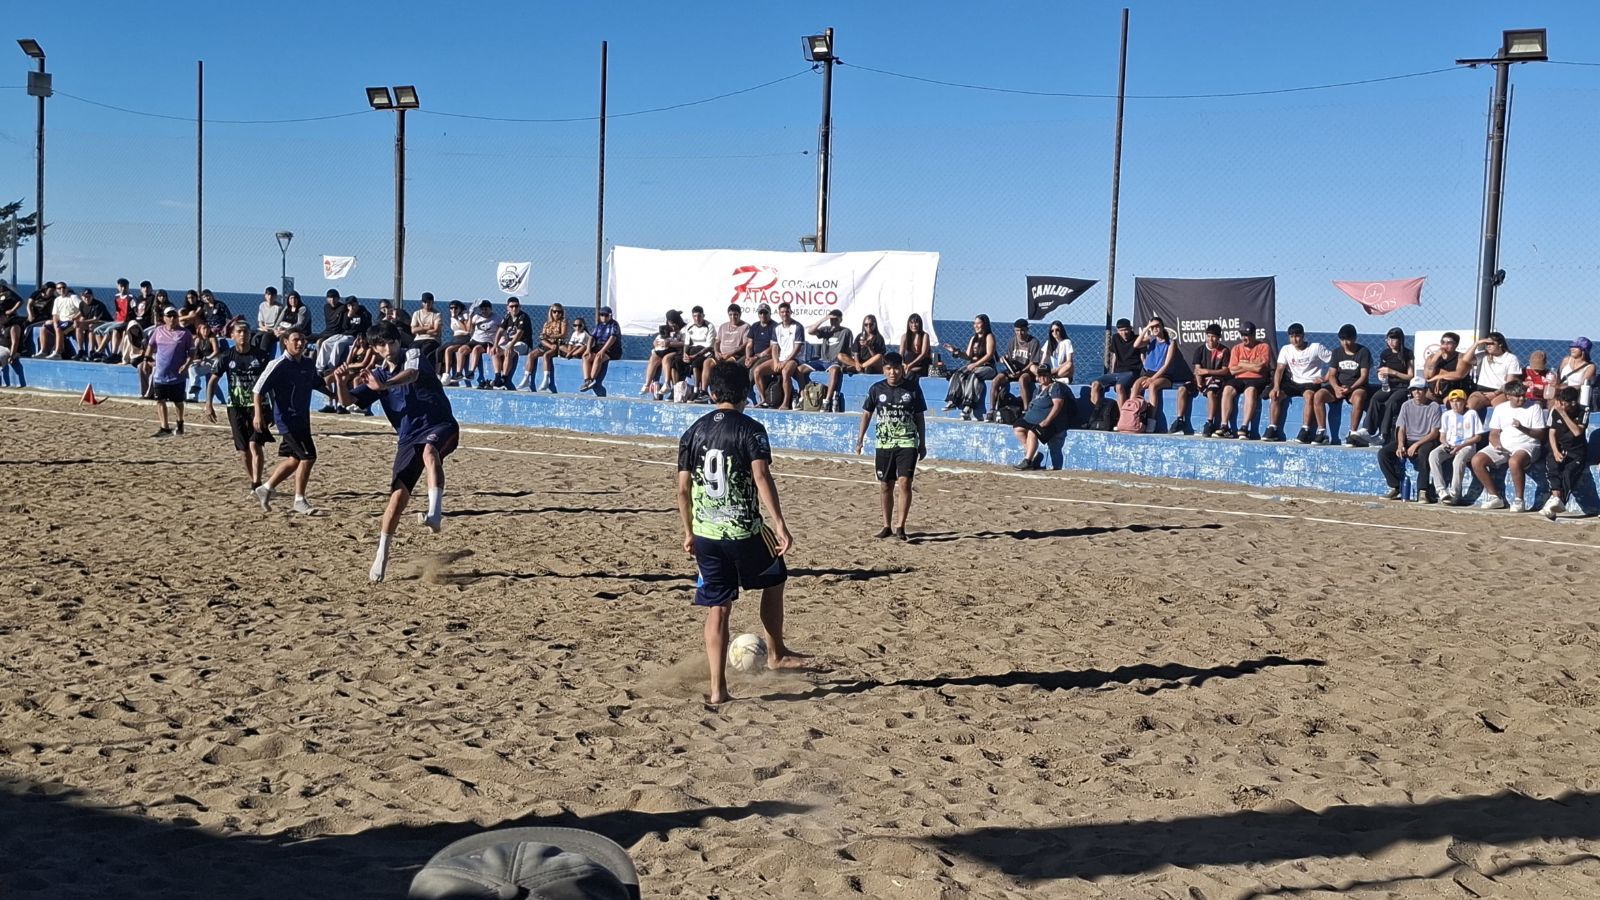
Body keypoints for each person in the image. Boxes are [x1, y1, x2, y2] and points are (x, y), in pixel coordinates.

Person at [675, 360, 806, 704]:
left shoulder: (693, 432)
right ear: (747, 392)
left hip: (705, 533)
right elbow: (761, 477)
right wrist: (779, 524)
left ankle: (718, 690)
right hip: (744, 531)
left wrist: (688, 531)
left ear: (711, 392)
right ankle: (776, 654)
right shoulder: (751, 428)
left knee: (718, 608)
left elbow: (682, 489)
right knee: (776, 577)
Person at [343, 325, 461, 582]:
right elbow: (348, 401)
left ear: (398, 342)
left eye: (391, 343)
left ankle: (435, 515)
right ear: (375, 349)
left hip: (440, 425)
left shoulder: (413, 355)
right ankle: (382, 555)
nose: (388, 349)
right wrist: (343, 376)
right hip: (407, 438)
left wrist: (383, 385)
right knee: (396, 499)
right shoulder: (376, 374)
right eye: (381, 345)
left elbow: (411, 374)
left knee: (431, 452)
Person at [253, 330, 332, 516]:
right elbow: (258, 390)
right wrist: (258, 415)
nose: (300, 343)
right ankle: (299, 500)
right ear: (285, 342)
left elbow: (317, 383)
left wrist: (336, 394)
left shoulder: (307, 363)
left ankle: (266, 488)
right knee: (308, 456)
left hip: (303, 418)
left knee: (294, 459)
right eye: (295, 340)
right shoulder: (278, 364)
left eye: (302, 339)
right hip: (287, 419)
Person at [854, 351, 927, 539]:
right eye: (888, 368)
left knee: (905, 483)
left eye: (896, 368)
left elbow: (920, 417)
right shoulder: (876, 389)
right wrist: (860, 439)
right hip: (884, 443)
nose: (893, 372)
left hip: (907, 441)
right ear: (884, 370)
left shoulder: (912, 389)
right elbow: (867, 414)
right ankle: (886, 525)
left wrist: (922, 443)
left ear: (902, 368)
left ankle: (900, 526)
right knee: (886, 484)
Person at [207, 320, 276, 492]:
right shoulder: (226, 356)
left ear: (250, 334)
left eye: (246, 331)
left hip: (258, 406)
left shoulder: (261, 356)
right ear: (232, 335)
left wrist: (274, 409)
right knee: (243, 450)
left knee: (255, 445)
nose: (243, 335)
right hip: (236, 406)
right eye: (239, 332)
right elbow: (213, 380)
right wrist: (209, 404)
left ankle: (257, 483)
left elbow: (271, 384)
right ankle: (253, 479)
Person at [1469, 381, 1547, 512]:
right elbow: (1494, 433)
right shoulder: (1500, 409)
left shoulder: (1534, 408)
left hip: (1527, 445)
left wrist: (1522, 428)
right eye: (1517, 396)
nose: (1521, 398)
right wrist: (1496, 444)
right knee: (1477, 460)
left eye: (1523, 395)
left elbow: (1540, 434)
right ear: (1508, 396)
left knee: (1514, 461)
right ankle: (1495, 496)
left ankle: (1519, 500)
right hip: (1504, 446)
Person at [1265, 322, 1331, 443]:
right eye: (1291, 337)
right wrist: (1276, 387)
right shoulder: (1286, 349)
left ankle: (1305, 429)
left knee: (1309, 396)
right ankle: (1272, 428)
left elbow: (1334, 362)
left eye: (1297, 336)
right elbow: (1279, 369)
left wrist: (1325, 378)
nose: (1295, 339)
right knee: (1275, 396)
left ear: (1303, 335)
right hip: (1293, 382)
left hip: (1311, 382)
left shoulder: (1316, 347)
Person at [1378, 378, 1440, 502]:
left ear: (1426, 390)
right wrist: (1401, 444)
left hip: (1426, 440)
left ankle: (1423, 491)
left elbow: (1434, 433)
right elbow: (1401, 428)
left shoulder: (1434, 406)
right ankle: (1395, 487)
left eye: (1420, 390)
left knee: (1424, 454)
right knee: (1383, 453)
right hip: (1408, 439)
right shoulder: (1406, 405)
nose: (1417, 393)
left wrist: (1416, 445)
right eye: (1414, 390)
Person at [1350, 327, 1412, 447]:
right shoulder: (1385, 353)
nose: (1391, 342)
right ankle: (1368, 429)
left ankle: (1383, 434)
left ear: (1400, 340)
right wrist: (1381, 375)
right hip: (1388, 385)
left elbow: (1410, 376)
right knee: (1375, 398)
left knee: (1391, 402)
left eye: (1394, 339)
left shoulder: (1407, 354)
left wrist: (1393, 372)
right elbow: (1381, 369)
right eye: (1389, 339)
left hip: (1402, 387)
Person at [1315, 324, 1372, 444]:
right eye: (1342, 340)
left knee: (1359, 397)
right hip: (1338, 386)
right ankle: (1322, 432)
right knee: (1319, 395)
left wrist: (1351, 388)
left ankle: (1353, 433)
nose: (1345, 343)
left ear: (1355, 338)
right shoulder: (1336, 352)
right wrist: (1336, 388)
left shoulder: (1363, 352)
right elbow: (1331, 374)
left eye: (1348, 339)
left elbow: (1364, 376)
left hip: (1355, 386)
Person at [1429, 389, 1486, 506]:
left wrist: (1461, 446)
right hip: (1450, 444)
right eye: (1452, 401)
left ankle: (1454, 494)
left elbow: (1478, 437)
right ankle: (1441, 491)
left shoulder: (1472, 414)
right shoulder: (1446, 415)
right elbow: (1442, 436)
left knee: (1458, 461)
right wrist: (1445, 444)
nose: (1455, 404)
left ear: (1464, 402)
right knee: (1433, 455)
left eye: (1458, 401)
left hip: (1467, 445)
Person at [1131, 316, 1188, 429]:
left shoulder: (1171, 343)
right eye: (1153, 327)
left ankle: (1151, 421)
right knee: (1136, 385)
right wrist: (1147, 327)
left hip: (1164, 375)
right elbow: (1136, 345)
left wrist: (1152, 379)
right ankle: (1132, 416)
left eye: (1157, 326)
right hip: (1149, 373)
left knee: (1152, 386)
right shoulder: (1150, 339)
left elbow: (1166, 365)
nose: (1155, 329)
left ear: (1162, 327)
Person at [1012, 363, 1070, 471]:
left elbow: (1058, 404)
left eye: (1045, 375)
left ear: (1049, 375)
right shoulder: (1038, 389)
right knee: (1018, 428)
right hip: (1031, 419)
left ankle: (1027, 461)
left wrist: (1047, 421)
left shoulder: (1055, 387)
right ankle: (1034, 455)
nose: (1042, 378)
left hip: (1049, 422)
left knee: (1032, 432)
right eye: (1040, 375)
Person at [1218, 321, 1270, 439]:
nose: (1244, 338)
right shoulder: (1237, 348)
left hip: (1257, 379)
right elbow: (1232, 370)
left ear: (1254, 335)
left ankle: (1245, 427)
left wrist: (1242, 364)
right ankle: (1225, 426)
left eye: (1247, 335)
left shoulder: (1263, 347)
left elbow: (1259, 369)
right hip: (1239, 378)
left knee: (1250, 391)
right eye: (1242, 335)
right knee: (1227, 389)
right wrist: (1251, 365)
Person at [147, 307, 194, 438]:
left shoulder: (185, 334)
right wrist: (147, 359)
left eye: (174, 316)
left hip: (177, 375)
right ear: (164, 318)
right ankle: (164, 427)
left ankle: (180, 424)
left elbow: (191, 352)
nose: (172, 318)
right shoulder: (158, 331)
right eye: (169, 316)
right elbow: (150, 345)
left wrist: (186, 365)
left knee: (178, 402)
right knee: (160, 400)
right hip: (160, 374)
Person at [1543, 386, 1589, 519]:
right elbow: (1552, 433)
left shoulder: (1583, 410)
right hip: (1561, 448)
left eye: (1566, 403)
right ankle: (1556, 498)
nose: (1562, 405)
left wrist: (1563, 414)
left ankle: (1558, 502)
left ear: (1573, 402)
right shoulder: (1555, 410)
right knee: (1552, 465)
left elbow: (1577, 432)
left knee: (1568, 473)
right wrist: (1556, 451)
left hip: (1577, 451)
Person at [941, 314, 997, 420]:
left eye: (978, 323)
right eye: (974, 323)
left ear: (984, 324)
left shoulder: (989, 337)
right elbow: (968, 356)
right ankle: (952, 400)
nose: (976, 326)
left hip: (987, 367)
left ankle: (968, 405)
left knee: (973, 375)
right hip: (973, 365)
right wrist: (956, 351)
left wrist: (975, 365)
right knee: (958, 374)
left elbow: (989, 354)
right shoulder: (973, 338)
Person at [1179, 323, 1229, 437]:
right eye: (1208, 336)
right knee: (1182, 389)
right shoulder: (1200, 350)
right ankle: (1180, 420)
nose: (1210, 339)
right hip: (1200, 379)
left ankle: (1210, 423)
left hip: (1216, 380)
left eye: (1213, 336)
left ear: (1219, 338)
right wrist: (1199, 382)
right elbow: (1197, 369)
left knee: (1211, 392)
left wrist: (1207, 372)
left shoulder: (1224, 351)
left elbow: (1225, 371)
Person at [989, 318, 1041, 419]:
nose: (1020, 333)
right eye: (1017, 330)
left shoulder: (1034, 342)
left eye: (1022, 330)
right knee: (996, 380)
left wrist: (1021, 371)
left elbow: (1033, 362)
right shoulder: (1012, 341)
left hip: (1026, 370)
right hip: (1013, 370)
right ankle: (992, 410)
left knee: (1022, 380)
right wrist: (1005, 360)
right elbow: (1010, 357)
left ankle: (1026, 410)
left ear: (1027, 330)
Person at [802, 308, 852, 412]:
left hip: (835, 362)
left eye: (835, 320)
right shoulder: (826, 330)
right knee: (799, 369)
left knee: (834, 371)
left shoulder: (846, 332)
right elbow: (810, 331)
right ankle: (803, 396)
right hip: (822, 360)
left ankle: (827, 400)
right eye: (831, 320)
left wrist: (846, 364)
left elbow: (850, 349)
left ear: (840, 320)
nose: (833, 322)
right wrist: (824, 319)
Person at [1089, 318, 1142, 408]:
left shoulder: (1137, 340)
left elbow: (1143, 358)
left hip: (1131, 372)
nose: (1124, 333)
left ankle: (1123, 418)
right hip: (1117, 372)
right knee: (1095, 384)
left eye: (1126, 330)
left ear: (1130, 329)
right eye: (1121, 330)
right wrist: (1112, 371)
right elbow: (1114, 356)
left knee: (1119, 386)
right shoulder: (1115, 338)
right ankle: (1096, 413)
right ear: (1117, 331)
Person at [702, 304, 750, 402]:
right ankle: (703, 392)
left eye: (735, 315)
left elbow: (745, 344)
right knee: (707, 363)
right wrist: (716, 352)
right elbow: (717, 342)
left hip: (735, 355)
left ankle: (724, 393)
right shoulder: (723, 326)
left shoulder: (745, 327)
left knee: (725, 366)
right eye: (731, 315)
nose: (733, 317)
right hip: (721, 355)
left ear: (740, 314)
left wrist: (731, 353)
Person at [1466, 331, 1521, 413]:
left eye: (1491, 343)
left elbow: (1510, 382)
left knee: (1497, 405)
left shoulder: (1511, 358)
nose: (1488, 346)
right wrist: (1477, 343)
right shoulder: (1483, 355)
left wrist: (1495, 393)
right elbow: (1466, 359)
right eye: (1486, 344)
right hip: (1482, 391)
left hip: (1502, 391)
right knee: (1471, 406)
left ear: (1500, 344)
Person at [769, 303, 809, 410]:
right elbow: (774, 347)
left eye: (787, 311)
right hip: (781, 359)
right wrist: (776, 361)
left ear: (790, 312)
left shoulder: (797, 327)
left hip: (795, 359)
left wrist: (785, 361)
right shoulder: (776, 328)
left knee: (785, 372)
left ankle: (786, 402)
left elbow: (797, 348)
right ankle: (765, 400)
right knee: (757, 371)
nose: (785, 314)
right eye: (782, 312)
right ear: (779, 313)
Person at [640, 309, 686, 399]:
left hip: (679, 350)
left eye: (674, 325)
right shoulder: (666, 328)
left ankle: (667, 383)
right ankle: (647, 384)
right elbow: (659, 338)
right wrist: (656, 342)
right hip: (666, 349)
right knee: (654, 357)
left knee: (666, 358)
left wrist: (670, 343)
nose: (673, 327)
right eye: (671, 324)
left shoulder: (685, 329)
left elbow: (685, 343)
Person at [525, 302, 570, 392]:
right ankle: (527, 378)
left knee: (546, 356)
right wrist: (546, 340)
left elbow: (563, 334)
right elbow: (543, 336)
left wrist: (550, 337)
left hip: (557, 344)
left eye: (559, 312)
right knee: (531, 355)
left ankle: (546, 379)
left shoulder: (563, 322)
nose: (557, 314)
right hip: (547, 344)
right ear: (551, 312)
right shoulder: (547, 323)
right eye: (555, 311)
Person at [579, 305, 621, 396]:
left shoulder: (614, 325)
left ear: (610, 316)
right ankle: (587, 380)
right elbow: (592, 337)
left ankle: (592, 379)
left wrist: (602, 350)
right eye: (602, 315)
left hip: (611, 350)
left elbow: (612, 338)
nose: (604, 317)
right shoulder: (599, 325)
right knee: (586, 357)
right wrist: (588, 349)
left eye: (606, 315)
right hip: (599, 347)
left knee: (598, 356)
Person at [491, 297, 532, 390]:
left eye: (516, 306)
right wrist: (495, 345)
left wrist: (510, 345)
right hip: (511, 343)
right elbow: (500, 331)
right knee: (495, 352)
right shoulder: (507, 317)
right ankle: (498, 376)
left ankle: (504, 378)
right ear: (507, 307)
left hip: (523, 344)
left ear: (520, 306)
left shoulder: (523, 317)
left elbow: (519, 333)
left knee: (509, 351)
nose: (514, 308)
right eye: (512, 306)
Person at [676, 306, 714, 400]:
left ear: (703, 315)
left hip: (705, 352)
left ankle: (697, 391)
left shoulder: (710, 326)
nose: (697, 318)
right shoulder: (690, 326)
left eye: (699, 316)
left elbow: (709, 347)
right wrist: (685, 354)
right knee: (675, 362)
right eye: (695, 316)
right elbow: (686, 343)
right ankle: (676, 390)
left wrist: (694, 356)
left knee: (696, 363)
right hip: (691, 352)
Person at [1422, 331, 1472, 400]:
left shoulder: (1461, 357)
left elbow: (1459, 375)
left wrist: (1438, 375)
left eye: (1449, 343)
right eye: (1443, 342)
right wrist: (1435, 358)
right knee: (1423, 399)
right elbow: (1428, 375)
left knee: (1449, 400)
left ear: (1456, 344)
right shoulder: (1432, 357)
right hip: (1435, 390)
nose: (1445, 345)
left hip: (1455, 389)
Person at [464, 299, 500, 389]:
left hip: (487, 341)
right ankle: (458, 373)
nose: (484, 311)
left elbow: (502, 331)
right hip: (475, 339)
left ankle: (471, 371)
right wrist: (471, 314)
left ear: (490, 309)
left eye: (486, 309)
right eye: (482, 309)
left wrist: (498, 343)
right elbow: (468, 329)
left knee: (477, 349)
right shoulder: (477, 317)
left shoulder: (496, 318)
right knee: (461, 350)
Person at [314, 290, 352, 372]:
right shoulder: (326, 307)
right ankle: (317, 366)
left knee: (321, 343)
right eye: (330, 298)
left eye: (334, 298)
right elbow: (330, 322)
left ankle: (324, 367)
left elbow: (343, 325)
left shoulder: (343, 308)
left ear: (338, 298)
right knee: (308, 338)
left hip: (337, 333)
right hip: (327, 331)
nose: (332, 300)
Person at [1557, 337, 1595, 411]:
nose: (1572, 349)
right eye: (1572, 346)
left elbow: (1583, 386)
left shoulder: (1590, 367)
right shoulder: (1566, 360)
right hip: (1561, 395)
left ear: (1583, 350)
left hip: (1576, 398)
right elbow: (1558, 377)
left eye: (1576, 347)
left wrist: (1563, 387)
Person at [49, 283, 82, 359]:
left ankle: (58, 352)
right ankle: (44, 351)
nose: (62, 290)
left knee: (59, 329)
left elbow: (83, 309)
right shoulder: (57, 300)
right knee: (44, 329)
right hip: (61, 321)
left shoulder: (73, 297)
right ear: (56, 290)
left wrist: (75, 317)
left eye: (63, 287)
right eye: (59, 288)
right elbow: (55, 315)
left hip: (70, 321)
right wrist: (55, 323)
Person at [410, 292, 443, 366]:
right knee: (412, 352)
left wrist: (420, 330)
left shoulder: (437, 314)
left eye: (429, 302)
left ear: (432, 302)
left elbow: (436, 332)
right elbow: (413, 330)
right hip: (418, 339)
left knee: (424, 351)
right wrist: (427, 328)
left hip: (432, 340)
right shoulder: (416, 314)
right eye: (425, 302)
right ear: (422, 303)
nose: (427, 304)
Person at [443, 300, 472, 384]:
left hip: (464, 338)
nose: (453, 310)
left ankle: (451, 374)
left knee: (448, 349)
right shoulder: (452, 317)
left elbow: (467, 329)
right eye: (451, 308)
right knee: (443, 350)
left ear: (460, 308)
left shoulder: (464, 315)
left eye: (455, 308)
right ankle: (445, 373)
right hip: (456, 338)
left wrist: (456, 318)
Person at [899, 313, 933, 383]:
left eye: (916, 323)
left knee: (911, 373)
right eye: (911, 323)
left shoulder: (925, 336)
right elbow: (900, 354)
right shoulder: (904, 336)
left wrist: (910, 365)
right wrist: (903, 364)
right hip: (907, 365)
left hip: (921, 366)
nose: (914, 325)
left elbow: (923, 354)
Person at [256, 286, 285, 353]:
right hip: (264, 329)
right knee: (254, 337)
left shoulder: (279, 307)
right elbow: (260, 322)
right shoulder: (262, 305)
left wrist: (276, 330)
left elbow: (281, 323)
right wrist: (263, 328)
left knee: (266, 337)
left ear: (276, 296)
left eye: (272, 295)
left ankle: (263, 355)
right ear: (265, 296)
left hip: (274, 330)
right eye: (268, 295)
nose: (270, 297)